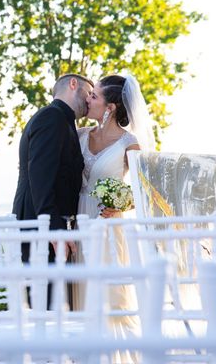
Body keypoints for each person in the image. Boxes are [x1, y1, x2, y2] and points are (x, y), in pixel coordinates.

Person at [73, 74, 155, 364]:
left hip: (108, 226)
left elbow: (144, 190)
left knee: (110, 297)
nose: (88, 99)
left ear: (109, 107)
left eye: (94, 96)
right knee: (81, 294)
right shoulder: (80, 135)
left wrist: (120, 207)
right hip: (79, 222)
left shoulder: (129, 143)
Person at [12, 73, 94, 265]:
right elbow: (40, 177)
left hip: (46, 224)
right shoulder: (52, 117)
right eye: (89, 93)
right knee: (46, 293)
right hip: (39, 225)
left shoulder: (64, 120)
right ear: (73, 84)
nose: (90, 100)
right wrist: (53, 228)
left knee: (55, 294)